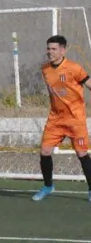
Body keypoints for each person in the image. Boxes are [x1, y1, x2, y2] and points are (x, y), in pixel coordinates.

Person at [32, 35, 91, 202]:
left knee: (81, 153)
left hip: (75, 118)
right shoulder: (45, 69)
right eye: (48, 49)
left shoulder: (74, 68)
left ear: (63, 50)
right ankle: (48, 186)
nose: (50, 52)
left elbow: (88, 83)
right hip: (55, 119)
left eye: (54, 49)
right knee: (44, 151)